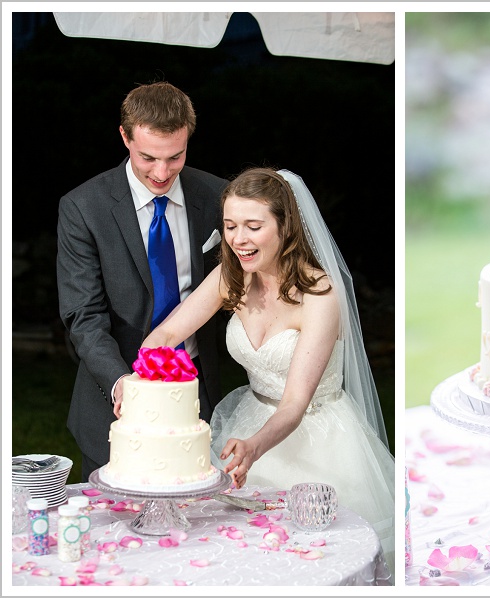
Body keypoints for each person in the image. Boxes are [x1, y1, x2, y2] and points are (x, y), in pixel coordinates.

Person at [137, 166, 396, 573]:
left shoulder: (320, 294)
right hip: (249, 419)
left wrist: (255, 446)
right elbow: (169, 330)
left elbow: (294, 402)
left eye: (253, 226)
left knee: (310, 564)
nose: (239, 239)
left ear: (285, 227)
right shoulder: (232, 276)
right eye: (231, 226)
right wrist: (141, 377)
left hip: (315, 439)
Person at [57, 81, 227, 482]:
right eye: (148, 157)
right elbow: (84, 316)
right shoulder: (83, 208)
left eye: (175, 156)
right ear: (124, 136)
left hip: (197, 395)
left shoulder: (218, 196)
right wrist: (120, 383)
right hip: (111, 403)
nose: (162, 172)